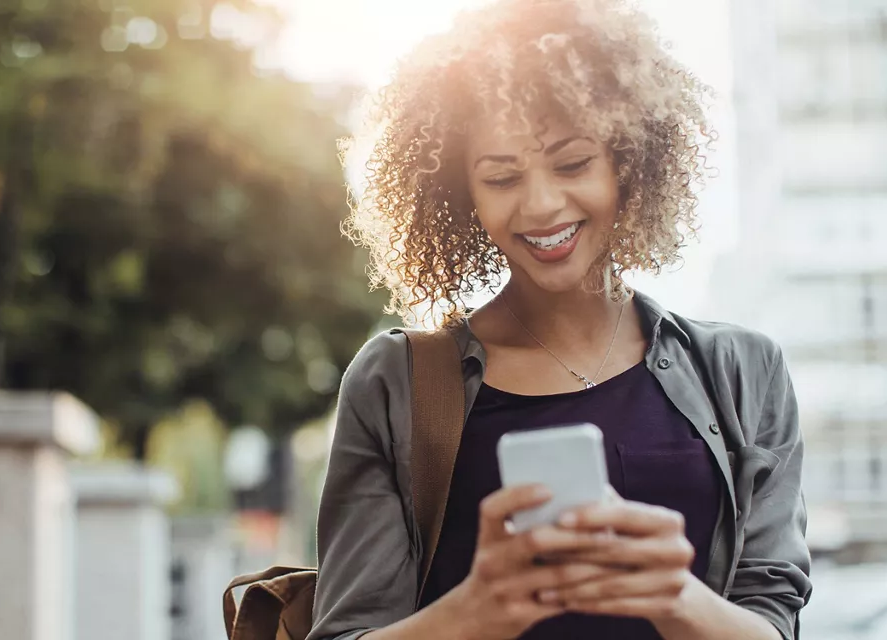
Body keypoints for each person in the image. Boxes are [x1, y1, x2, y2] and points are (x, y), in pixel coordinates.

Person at [309, 0, 811, 639]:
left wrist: (675, 597)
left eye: (573, 164)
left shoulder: (744, 371)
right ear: (461, 192)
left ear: (628, 162)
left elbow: (774, 622)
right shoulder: (397, 383)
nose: (542, 206)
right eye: (501, 177)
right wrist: (477, 609)